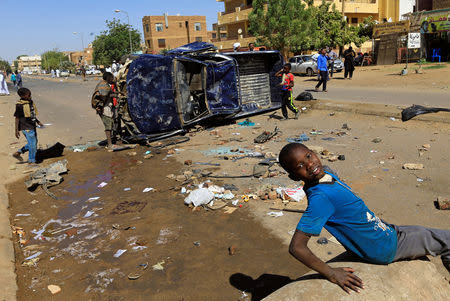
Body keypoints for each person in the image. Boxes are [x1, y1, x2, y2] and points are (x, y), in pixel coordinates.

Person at [278, 143, 450, 294]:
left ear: (313, 152)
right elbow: (296, 247)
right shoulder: (320, 199)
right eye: (300, 165)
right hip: (384, 247)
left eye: (309, 156)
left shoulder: (325, 175)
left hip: (382, 232)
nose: (310, 164)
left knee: (421, 231)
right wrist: (331, 273)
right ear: (294, 177)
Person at [12, 88, 43, 164]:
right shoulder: (20, 105)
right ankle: (31, 161)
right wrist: (16, 130)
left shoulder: (30, 102)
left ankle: (19, 152)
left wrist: (38, 121)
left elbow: (32, 114)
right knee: (33, 145)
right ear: (22, 96)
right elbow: (17, 118)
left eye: (30, 94)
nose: (30, 96)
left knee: (33, 143)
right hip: (26, 127)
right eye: (28, 95)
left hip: (32, 126)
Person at [91, 72, 118, 149]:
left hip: (106, 107)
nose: (112, 79)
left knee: (110, 124)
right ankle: (109, 144)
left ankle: (111, 141)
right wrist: (115, 95)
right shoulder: (104, 85)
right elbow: (105, 95)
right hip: (104, 108)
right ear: (108, 78)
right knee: (108, 125)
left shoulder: (103, 84)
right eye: (111, 78)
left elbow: (109, 93)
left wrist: (117, 92)